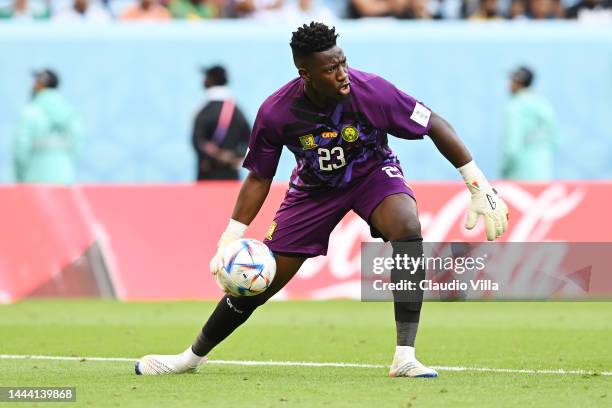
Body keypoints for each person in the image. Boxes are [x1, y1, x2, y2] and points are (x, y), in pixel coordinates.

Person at [135, 22, 509, 378]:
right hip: (313, 190)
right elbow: (260, 176)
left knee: (407, 226)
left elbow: (434, 124)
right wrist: (231, 236)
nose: (343, 72)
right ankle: (190, 358)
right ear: (306, 74)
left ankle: (405, 356)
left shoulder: (372, 90)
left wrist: (476, 182)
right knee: (259, 282)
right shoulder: (276, 111)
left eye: (342, 61)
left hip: (372, 174)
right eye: (331, 69)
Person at [13, 69, 83, 185]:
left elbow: (20, 150)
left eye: (36, 82)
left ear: (40, 85)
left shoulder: (30, 113)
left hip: (34, 181)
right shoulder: (69, 112)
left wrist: (20, 178)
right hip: (65, 180)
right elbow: (77, 146)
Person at [192, 65, 251, 181]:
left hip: (207, 175)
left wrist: (215, 156)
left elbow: (196, 141)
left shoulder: (204, 111)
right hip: (231, 175)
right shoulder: (237, 111)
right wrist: (234, 156)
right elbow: (251, 140)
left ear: (211, 79)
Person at [501, 66, 558, 181]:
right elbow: (554, 141)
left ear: (518, 83)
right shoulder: (543, 104)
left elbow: (511, 146)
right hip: (543, 173)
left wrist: (505, 170)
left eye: (511, 80)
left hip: (519, 175)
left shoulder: (516, 107)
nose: (508, 84)